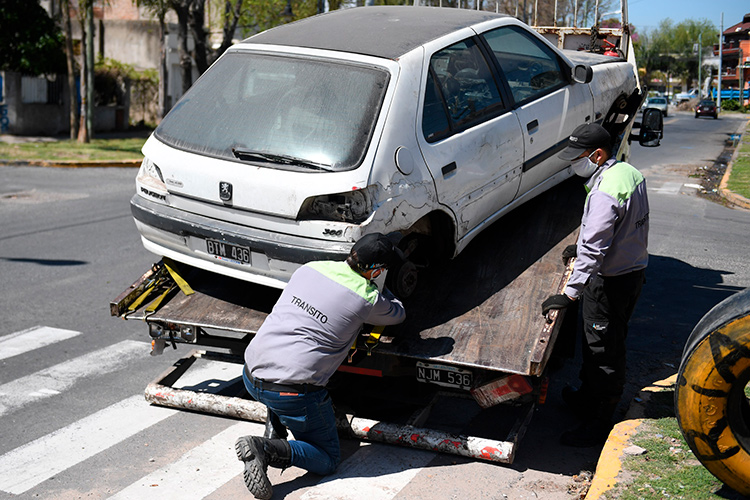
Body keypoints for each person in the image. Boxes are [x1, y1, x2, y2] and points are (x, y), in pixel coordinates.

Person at [235, 232, 407, 499]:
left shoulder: (310, 269)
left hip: (251, 371)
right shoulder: (366, 297)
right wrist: (381, 287)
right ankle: (266, 449)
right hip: (290, 391)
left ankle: (272, 436)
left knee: (282, 383)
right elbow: (398, 313)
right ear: (376, 270)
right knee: (327, 458)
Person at [542, 123, 649, 448]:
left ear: (598, 155)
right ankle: (587, 398)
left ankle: (598, 422)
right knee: (603, 341)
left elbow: (593, 249)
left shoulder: (604, 191)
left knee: (603, 350)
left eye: (579, 157)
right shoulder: (629, 173)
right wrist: (588, 245)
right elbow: (625, 227)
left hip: (610, 281)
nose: (575, 163)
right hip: (631, 270)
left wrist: (569, 294)